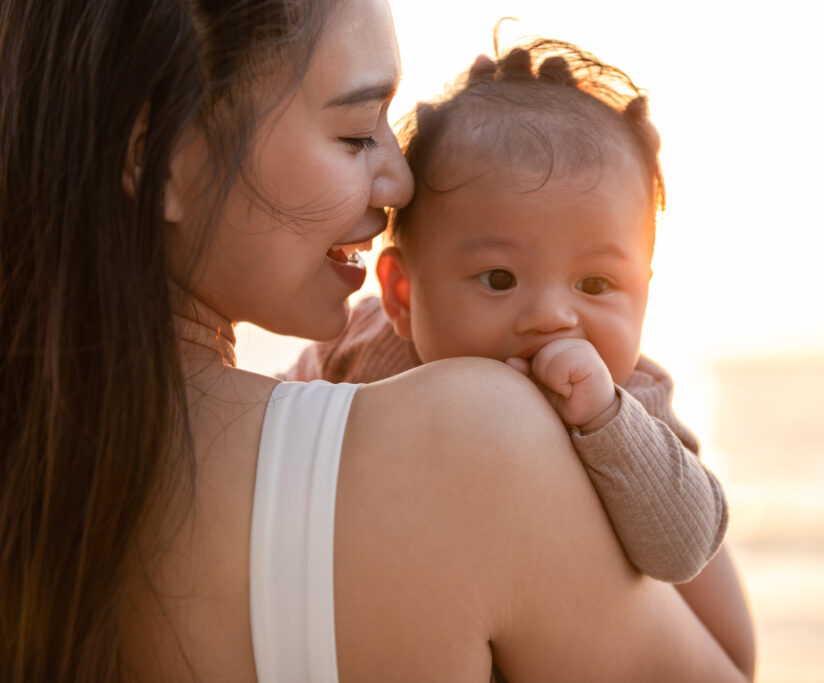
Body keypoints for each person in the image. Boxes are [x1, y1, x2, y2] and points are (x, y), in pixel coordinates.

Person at [0, 1, 754, 682]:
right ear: (157, 157)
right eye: (358, 132)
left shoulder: (41, 496)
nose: (399, 181)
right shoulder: (475, 439)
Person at [286, 38, 754, 666]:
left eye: (595, 284)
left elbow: (683, 547)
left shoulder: (631, 402)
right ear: (401, 295)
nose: (553, 317)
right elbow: (282, 437)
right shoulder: (361, 347)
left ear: (643, 294)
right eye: (500, 279)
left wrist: (603, 421)